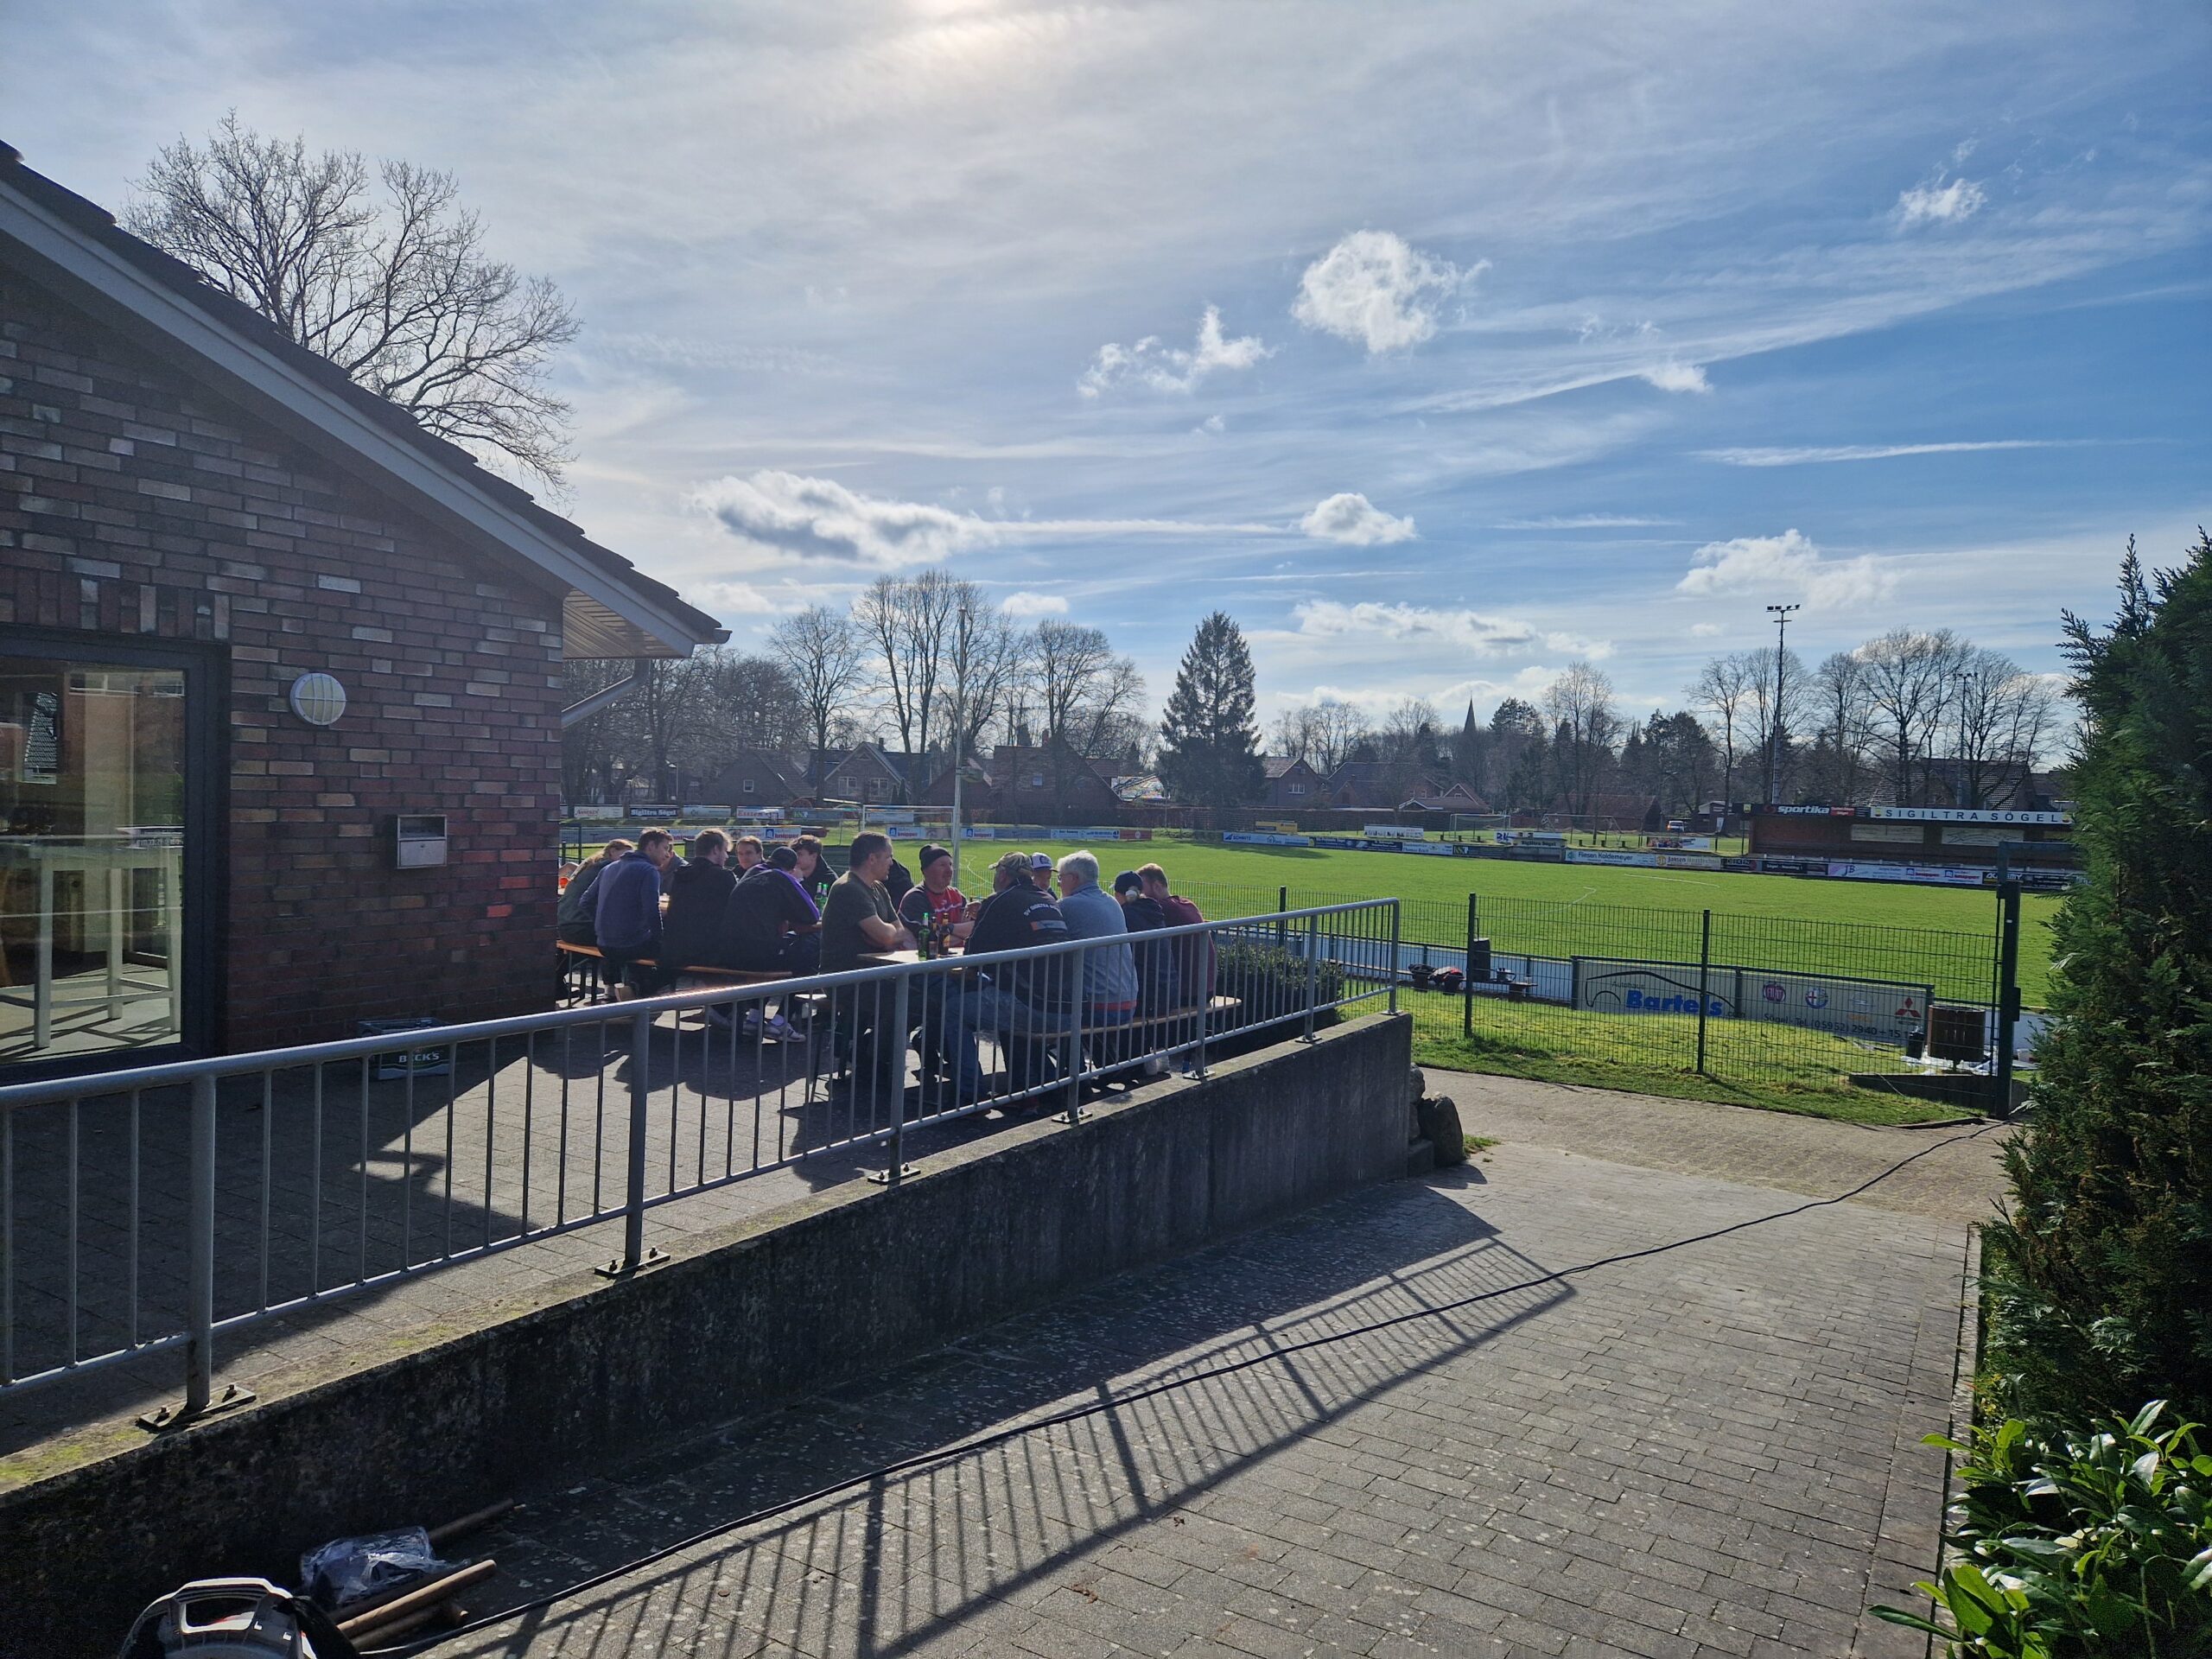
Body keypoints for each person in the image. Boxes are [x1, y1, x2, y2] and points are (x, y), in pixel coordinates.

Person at [956, 850, 1074, 1090]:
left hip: (1034, 1005)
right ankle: (1036, 1085)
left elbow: (972, 957)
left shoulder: (999, 900)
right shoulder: (1048, 899)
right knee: (1009, 1003)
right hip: (1068, 1006)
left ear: (1002, 874)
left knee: (952, 1010)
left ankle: (969, 1092)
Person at [821, 832, 915, 1099]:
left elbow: (900, 932)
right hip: (844, 979)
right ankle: (870, 1062)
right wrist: (887, 936)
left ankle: (866, 1052)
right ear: (872, 858)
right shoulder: (848, 888)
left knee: (919, 999)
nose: (892, 863)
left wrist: (886, 936)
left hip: (873, 975)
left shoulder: (878, 888)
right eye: (888, 857)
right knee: (903, 1003)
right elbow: (888, 936)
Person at [715, 844, 822, 1039]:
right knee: (810, 956)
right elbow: (812, 915)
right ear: (791, 868)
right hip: (756, 954)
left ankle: (754, 1019)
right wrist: (797, 880)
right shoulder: (781, 877)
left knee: (779, 947)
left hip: (728, 952)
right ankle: (781, 1021)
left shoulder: (752, 872)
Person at [1055, 851, 1138, 1029]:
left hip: (1098, 1006)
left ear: (1074, 878)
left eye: (1061, 878)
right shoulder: (1112, 902)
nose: (1059, 883)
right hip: (1128, 1001)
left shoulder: (1067, 905)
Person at [592, 830, 677, 998]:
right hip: (629, 944)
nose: (667, 854)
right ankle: (638, 991)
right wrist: (659, 939)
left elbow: (585, 901)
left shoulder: (609, 867)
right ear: (651, 846)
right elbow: (652, 911)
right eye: (665, 848)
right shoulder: (648, 870)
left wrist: (604, 924)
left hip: (603, 943)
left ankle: (629, 990)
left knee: (642, 945)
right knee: (676, 956)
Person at [658, 829, 736, 976]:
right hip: (707, 951)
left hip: (675, 949)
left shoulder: (681, 874)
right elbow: (734, 914)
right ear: (716, 850)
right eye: (725, 851)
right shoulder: (723, 876)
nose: (727, 856)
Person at [1141, 862, 1214, 1004]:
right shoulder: (1187, 904)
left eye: (1141, 890)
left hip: (1186, 993)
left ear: (1156, 886)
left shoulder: (1160, 909)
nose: (1139, 895)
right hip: (1205, 989)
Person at [1112, 868, 1179, 1016]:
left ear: (1120, 895)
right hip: (1169, 995)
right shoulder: (1153, 911)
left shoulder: (1126, 916)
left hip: (1147, 1000)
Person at [897, 844, 972, 957]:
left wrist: (947, 929)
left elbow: (975, 928)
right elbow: (931, 939)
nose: (949, 871)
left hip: (956, 961)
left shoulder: (957, 896)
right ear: (925, 871)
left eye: (950, 865)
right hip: (924, 963)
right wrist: (962, 934)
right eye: (942, 865)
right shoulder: (915, 898)